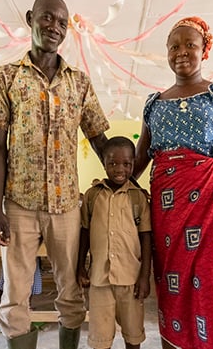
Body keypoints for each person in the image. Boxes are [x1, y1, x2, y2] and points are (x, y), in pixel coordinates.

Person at [0, 0, 110, 349]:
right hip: (19, 205)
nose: (54, 27)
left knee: (70, 290)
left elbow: (100, 139)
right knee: (15, 294)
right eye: (47, 18)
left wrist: (127, 179)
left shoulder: (79, 83)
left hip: (66, 206)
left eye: (61, 22)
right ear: (30, 18)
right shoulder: (6, 78)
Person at [132, 16, 213, 349]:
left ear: (205, 50)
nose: (181, 52)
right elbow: (139, 157)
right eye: (174, 46)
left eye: (190, 44)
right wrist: (111, 183)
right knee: (173, 287)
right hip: (168, 209)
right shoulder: (153, 104)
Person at [77, 136, 151, 349]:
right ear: (104, 164)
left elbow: (146, 238)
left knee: (133, 335)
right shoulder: (92, 196)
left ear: (133, 164)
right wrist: (81, 266)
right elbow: (85, 233)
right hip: (100, 280)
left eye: (126, 164)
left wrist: (144, 277)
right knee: (101, 339)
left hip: (131, 280)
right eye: (113, 163)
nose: (120, 169)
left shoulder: (138, 198)